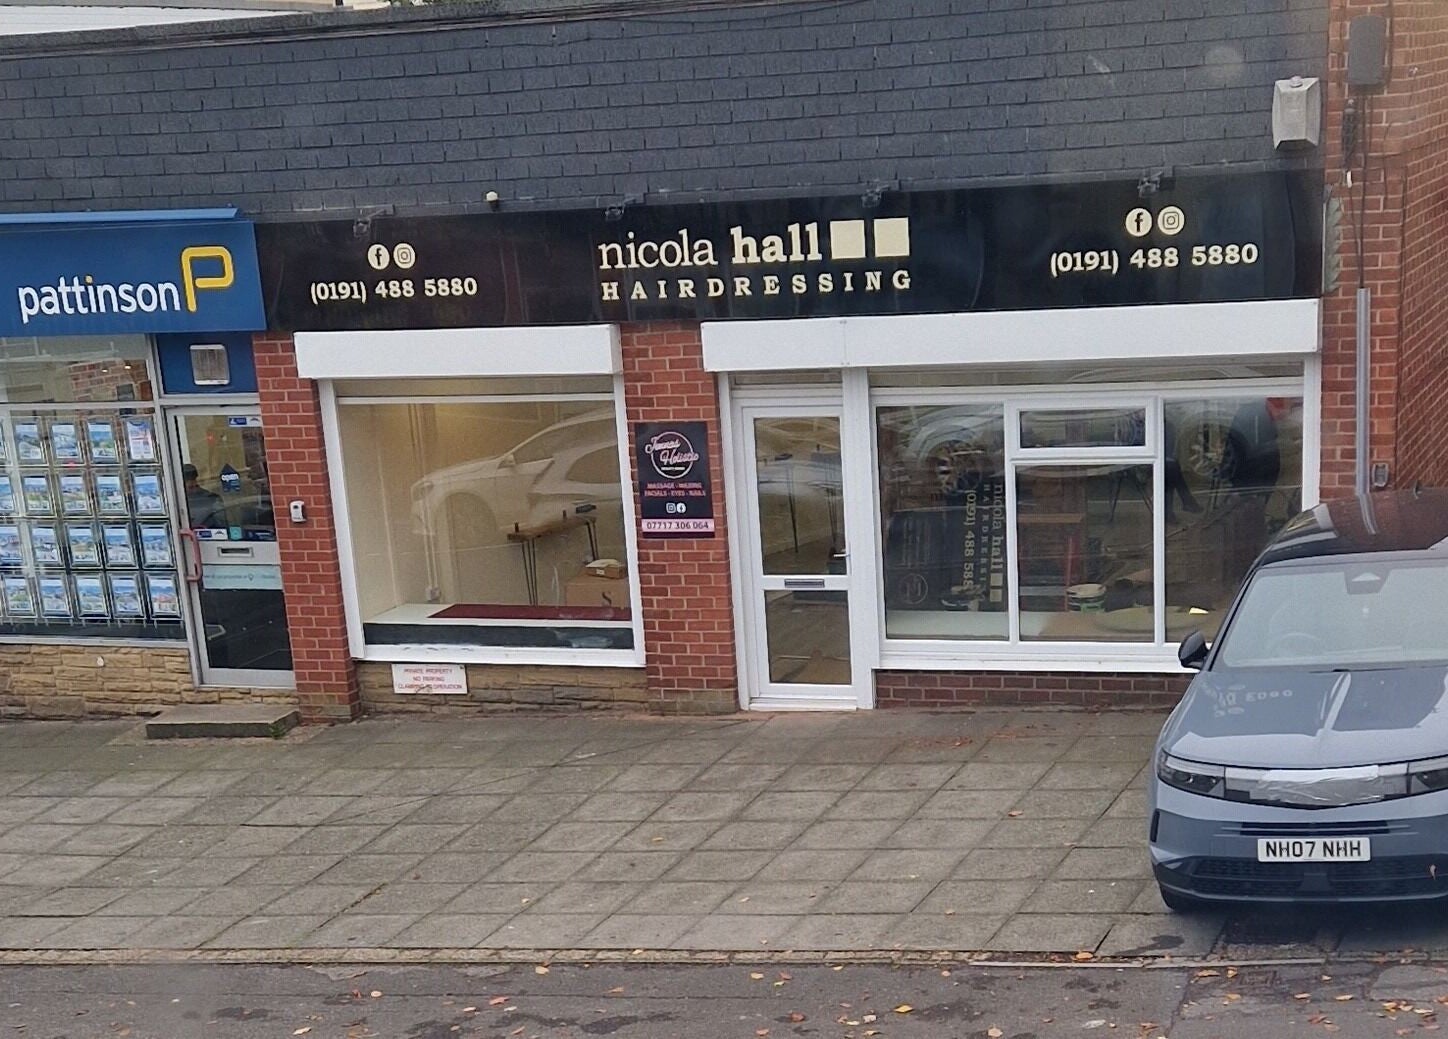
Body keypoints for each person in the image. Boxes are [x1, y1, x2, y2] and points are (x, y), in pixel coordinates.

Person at [182, 463, 225, 528]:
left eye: (195, 486)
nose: (194, 490)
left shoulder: (211, 499)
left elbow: (221, 525)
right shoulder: (178, 501)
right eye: (190, 487)